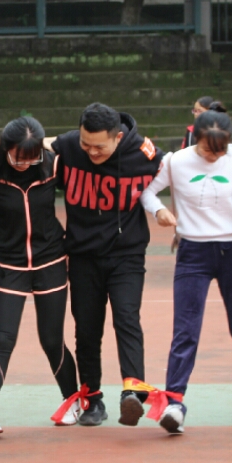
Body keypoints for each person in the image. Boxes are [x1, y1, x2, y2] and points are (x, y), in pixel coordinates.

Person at [140, 107, 232, 432]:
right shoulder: (176, 161)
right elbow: (148, 192)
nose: (215, 156)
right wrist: (159, 211)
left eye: (220, 150)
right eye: (208, 149)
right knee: (186, 329)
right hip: (192, 253)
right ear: (196, 138)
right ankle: (174, 402)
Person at [52, 102, 167, 428]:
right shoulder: (70, 146)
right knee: (87, 329)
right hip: (82, 255)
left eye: (99, 147)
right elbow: (39, 146)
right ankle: (92, 398)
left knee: (127, 318)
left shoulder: (144, 154)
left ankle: (133, 390)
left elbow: (178, 168)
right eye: (85, 144)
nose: (91, 152)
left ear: (118, 137)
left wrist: (162, 211)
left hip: (126, 255)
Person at [0, 115, 82, 438]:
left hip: (51, 261)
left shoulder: (52, 165)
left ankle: (73, 400)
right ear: (5, 149)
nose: (24, 163)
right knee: (2, 341)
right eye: (18, 157)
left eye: (31, 157)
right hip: (10, 265)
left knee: (52, 340)